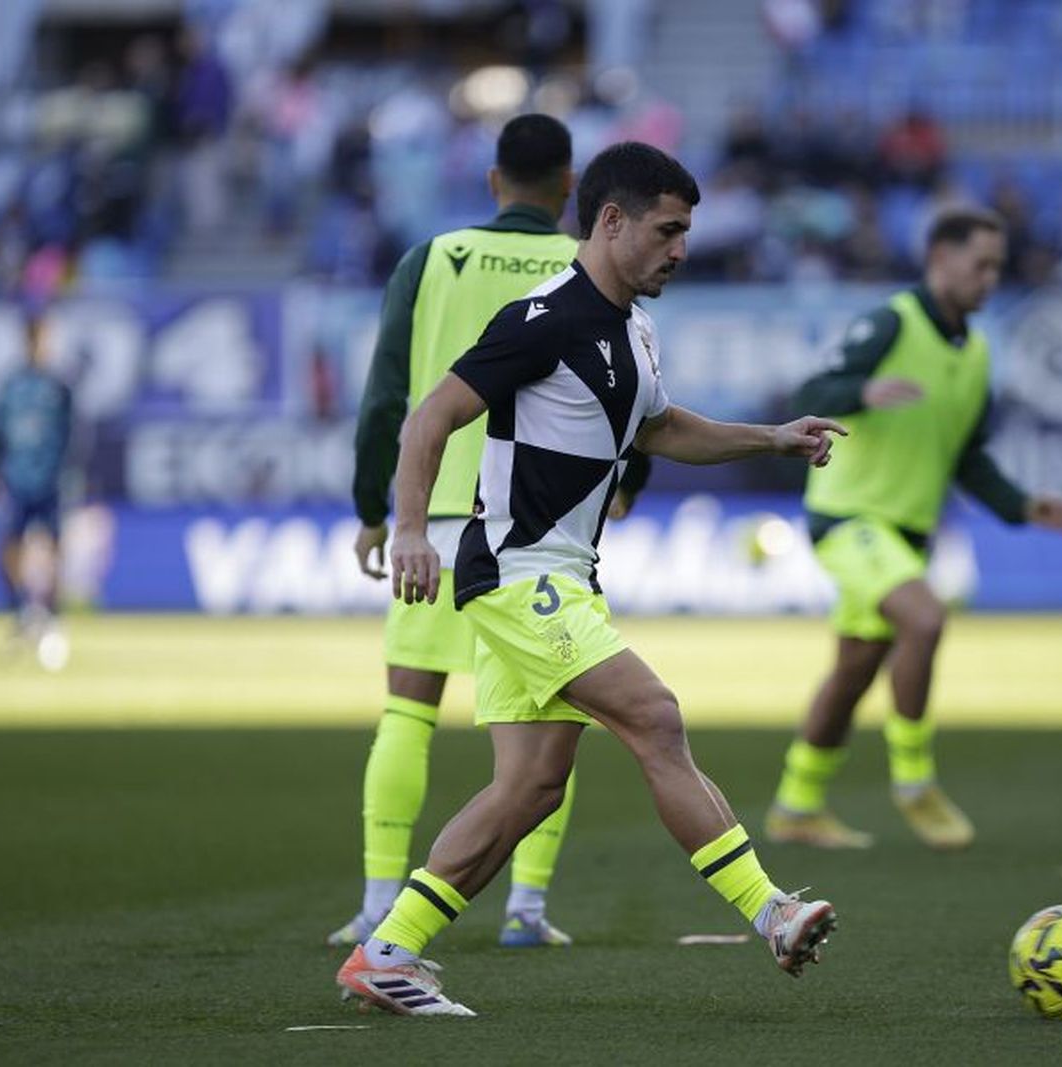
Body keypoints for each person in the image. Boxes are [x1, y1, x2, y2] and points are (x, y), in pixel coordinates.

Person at [334, 142, 845, 1017]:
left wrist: (770, 437)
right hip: (516, 572)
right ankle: (773, 911)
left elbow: (661, 428)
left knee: (530, 785)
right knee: (655, 715)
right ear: (611, 220)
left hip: (561, 574)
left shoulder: (633, 327)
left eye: (685, 232)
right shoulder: (545, 317)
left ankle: (387, 953)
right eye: (667, 230)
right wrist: (410, 528)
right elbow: (431, 416)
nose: (681, 249)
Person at [333, 114, 640, 951]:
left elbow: (387, 396)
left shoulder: (434, 258)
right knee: (554, 721)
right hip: (537, 529)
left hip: (437, 523)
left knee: (407, 711)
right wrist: (627, 486)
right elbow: (634, 392)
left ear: (494, 181)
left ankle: (377, 901)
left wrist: (375, 511)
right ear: (570, 185)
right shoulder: (589, 264)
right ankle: (527, 907)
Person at [765, 208, 1062, 852]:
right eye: (979, 264)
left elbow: (967, 456)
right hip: (849, 516)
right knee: (926, 620)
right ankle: (914, 782)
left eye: (997, 267)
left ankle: (796, 806)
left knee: (854, 671)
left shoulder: (979, 353)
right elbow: (810, 391)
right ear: (939, 259)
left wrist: (1022, 506)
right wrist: (863, 391)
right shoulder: (891, 322)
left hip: (906, 533)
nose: (990, 278)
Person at [0, 313, 73, 653]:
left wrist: (74, 473)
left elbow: (75, 432)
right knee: (9, 546)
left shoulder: (59, 386)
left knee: (55, 547)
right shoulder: (10, 385)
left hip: (52, 479)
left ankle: (52, 614)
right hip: (16, 479)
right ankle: (21, 612)